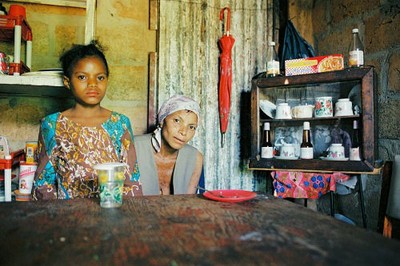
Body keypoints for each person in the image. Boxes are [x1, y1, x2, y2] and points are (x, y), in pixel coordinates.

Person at [32, 40, 142, 200]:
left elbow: (132, 180)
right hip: (68, 218)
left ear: (107, 80)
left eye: (100, 77)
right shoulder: (52, 124)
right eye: (82, 77)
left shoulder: (120, 123)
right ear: (67, 82)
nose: (92, 84)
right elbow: (44, 184)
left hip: (111, 215)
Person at [134, 95, 203, 195]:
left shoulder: (195, 158)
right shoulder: (133, 148)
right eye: (177, 121)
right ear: (162, 121)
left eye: (191, 127)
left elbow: (187, 203)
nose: (183, 132)